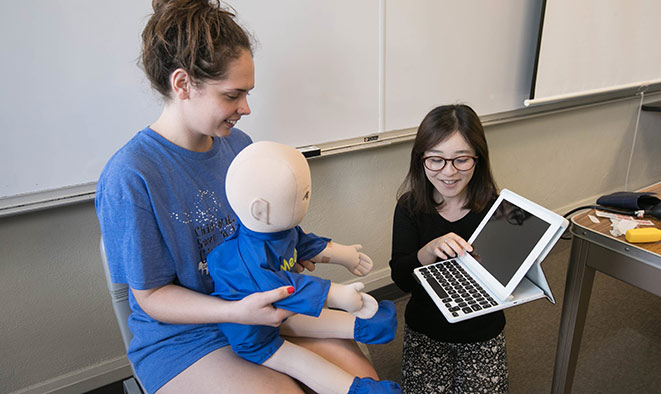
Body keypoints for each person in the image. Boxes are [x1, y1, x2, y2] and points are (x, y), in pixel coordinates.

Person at [95, 1, 378, 392]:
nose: (245, 108)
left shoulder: (240, 146)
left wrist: (290, 256)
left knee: (363, 380)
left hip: (262, 305)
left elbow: (265, 230)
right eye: (233, 95)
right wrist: (235, 311)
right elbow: (152, 296)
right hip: (185, 337)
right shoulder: (131, 176)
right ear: (182, 85)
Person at [207, 141, 399, 394]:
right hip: (256, 334)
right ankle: (352, 390)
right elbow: (286, 289)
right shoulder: (245, 259)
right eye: (303, 195)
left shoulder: (280, 231)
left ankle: (365, 325)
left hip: (284, 314)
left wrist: (345, 255)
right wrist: (335, 294)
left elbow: (305, 243)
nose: (307, 200)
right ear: (261, 210)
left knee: (314, 318)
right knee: (304, 363)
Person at [389, 104, 508, 393]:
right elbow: (401, 279)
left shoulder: (496, 209)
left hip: (482, 332)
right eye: (436, 160)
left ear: (478, 159)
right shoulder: (409, 207)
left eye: (461, 160)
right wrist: (427, 251)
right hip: (426, 330)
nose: (449, 172)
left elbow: (505, 275)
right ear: (421, 160)